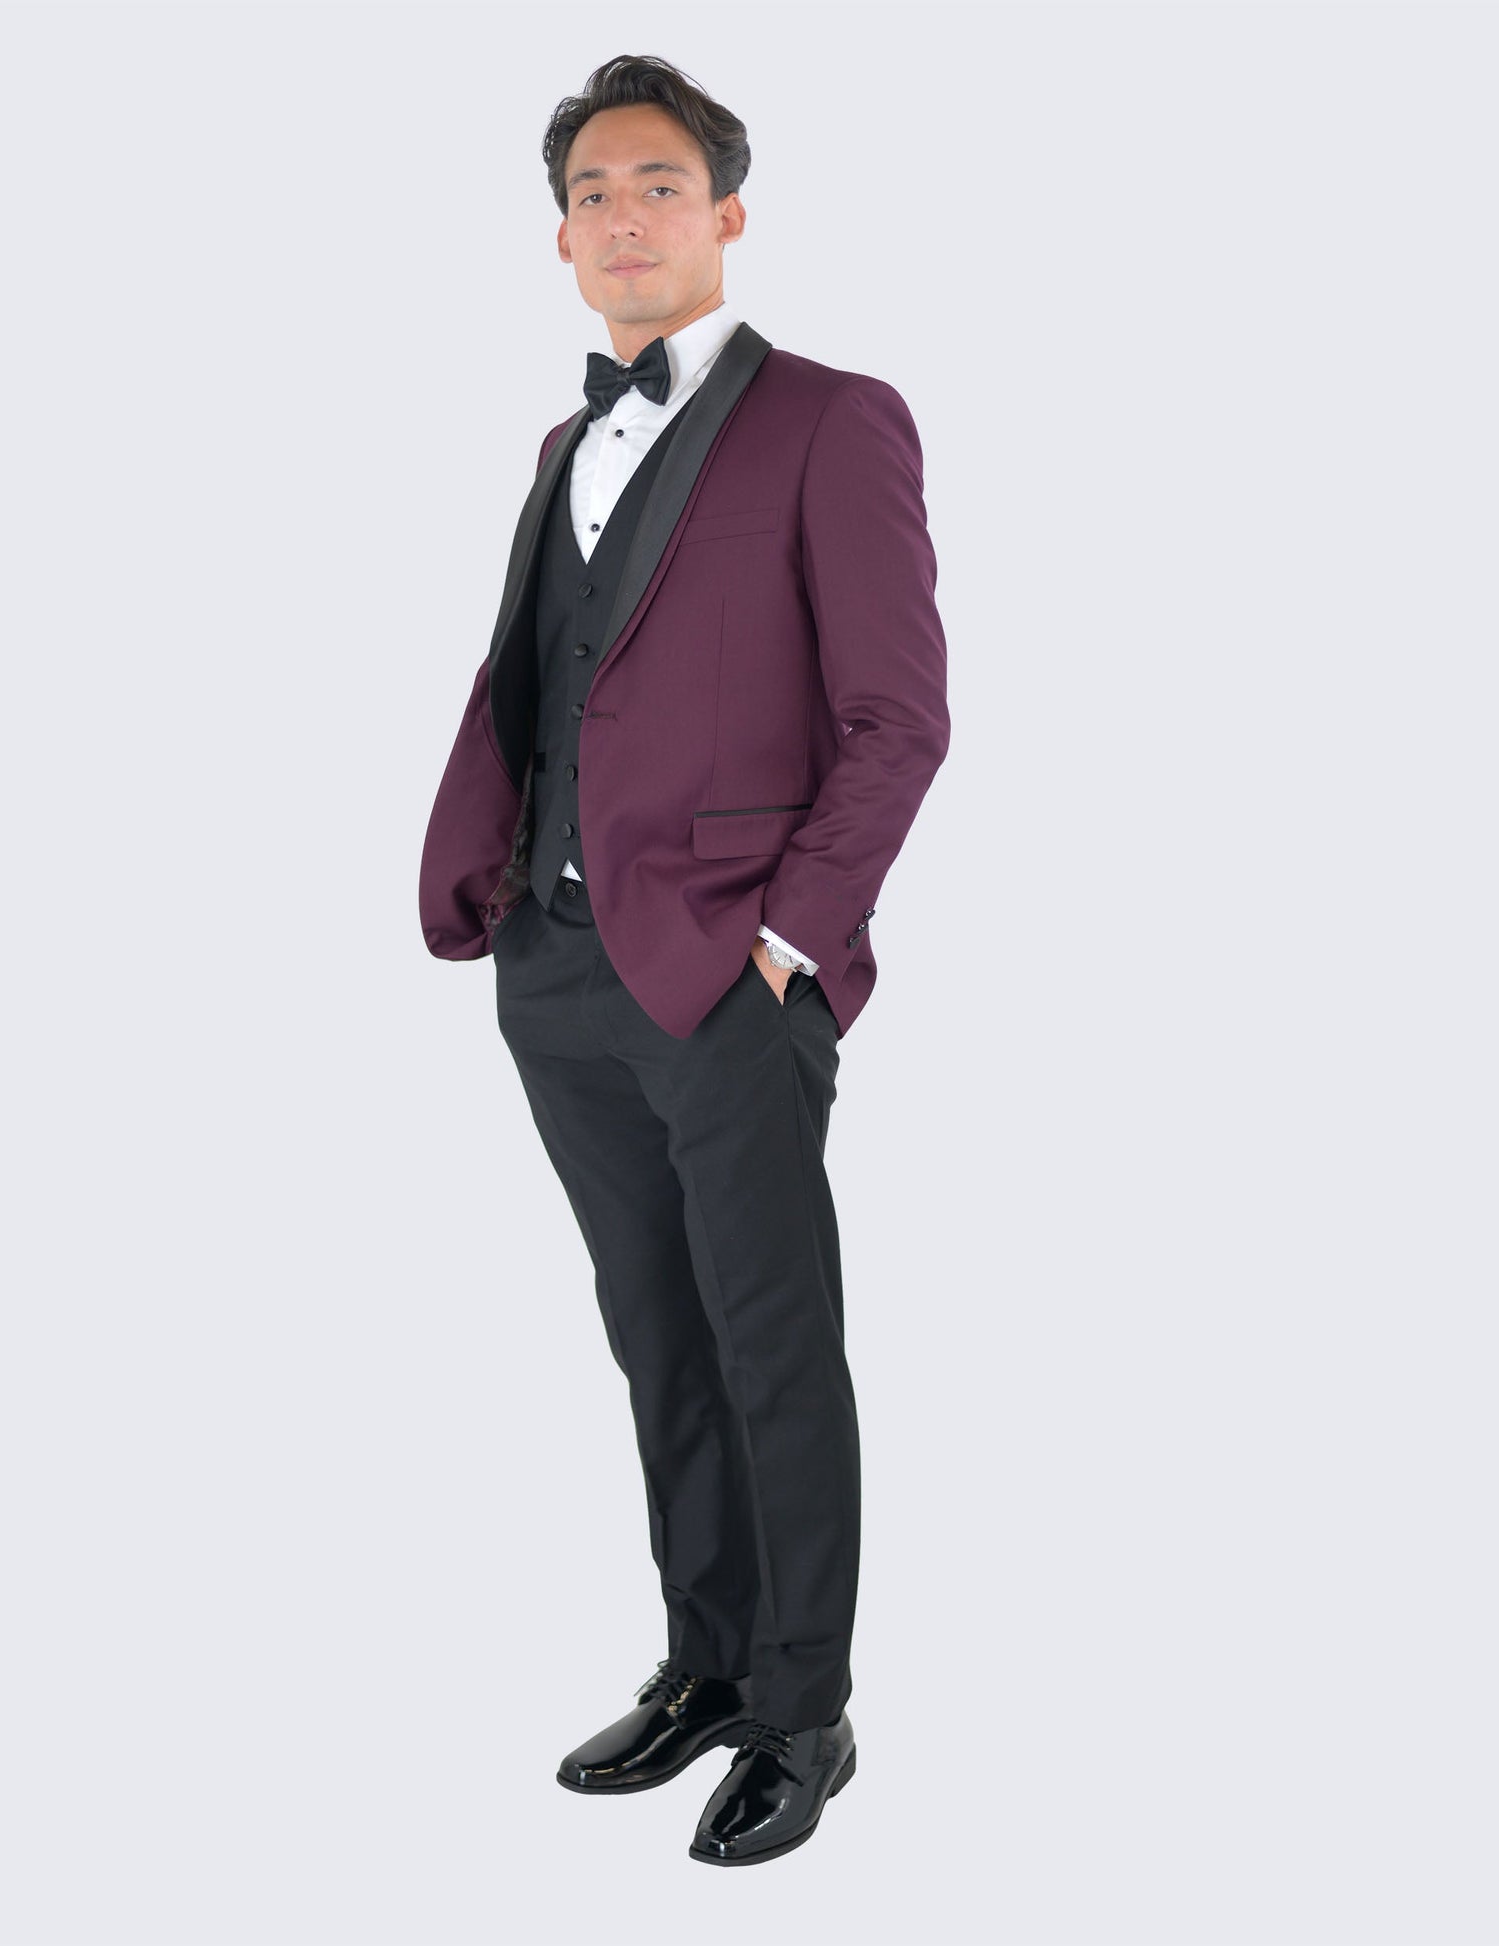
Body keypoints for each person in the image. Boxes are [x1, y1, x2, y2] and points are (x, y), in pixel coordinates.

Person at [417, 52, 951, 1867]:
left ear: (726, 213)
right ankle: (707, 1659)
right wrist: (505, 896)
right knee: (656, 1337)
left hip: (731, 971)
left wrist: (790, 941)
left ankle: (805, 1707)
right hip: (560, 965)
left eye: (655, 185)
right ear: (559, 240)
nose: (620, 217)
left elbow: (897, 717)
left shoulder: (832, 419)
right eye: (589, 193)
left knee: (768, 1339)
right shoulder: (560, 448)